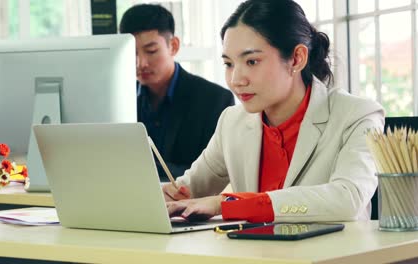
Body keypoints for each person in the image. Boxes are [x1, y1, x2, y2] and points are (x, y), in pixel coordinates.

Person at [164, 0, 385, 223]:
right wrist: (158, 198)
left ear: (297, 59)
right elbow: (186, 190)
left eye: (252, 61)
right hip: (254, 256)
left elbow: (347, 199)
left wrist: (228, 204)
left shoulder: (358, 115)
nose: (236, 80)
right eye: (229, 64)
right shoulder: (232, 122)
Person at [119, 4, 235, 181]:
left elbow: (215, 174)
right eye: (132, 53)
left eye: (151, 51)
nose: (140, 63)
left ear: (173, 46)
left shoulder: (214, 100)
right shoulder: (120, 100)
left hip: (190, 202)